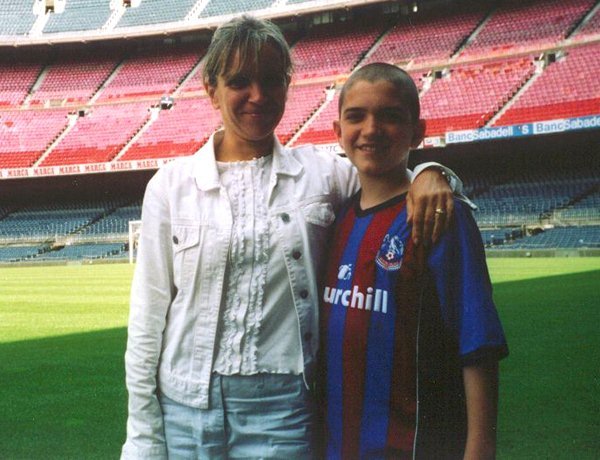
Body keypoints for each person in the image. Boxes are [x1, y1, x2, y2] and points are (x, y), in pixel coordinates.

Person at [121, 16, 465, 460]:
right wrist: (143, 438)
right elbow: (148, 322)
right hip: (184, 407)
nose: (257, 96)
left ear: (287, 87)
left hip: (282, 413)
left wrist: (433, 172)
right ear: (212, 90)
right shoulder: (171, 185)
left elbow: (390, 179)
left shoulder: (323, 175)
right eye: (239, 81)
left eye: (271, 81)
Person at [321, 63, 508, 459]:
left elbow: (478, 345)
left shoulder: (441, 216)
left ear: (418, 132)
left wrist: (480, 448)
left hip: (415, 447)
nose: (371, 129)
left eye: (390, 116)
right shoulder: (335, 218)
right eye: (356, 116)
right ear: (337, 132)